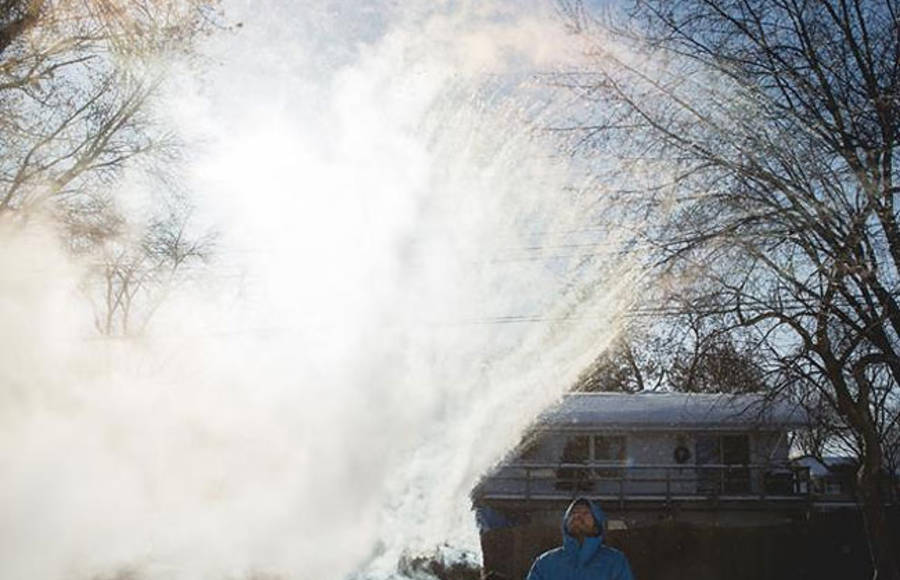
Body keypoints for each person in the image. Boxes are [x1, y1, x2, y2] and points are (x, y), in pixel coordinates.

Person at [526, 497, 634, 580]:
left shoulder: (615, 561)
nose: (577, 516)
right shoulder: (545, 563)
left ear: (597, 525)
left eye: (585, 513)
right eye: (573, 513)